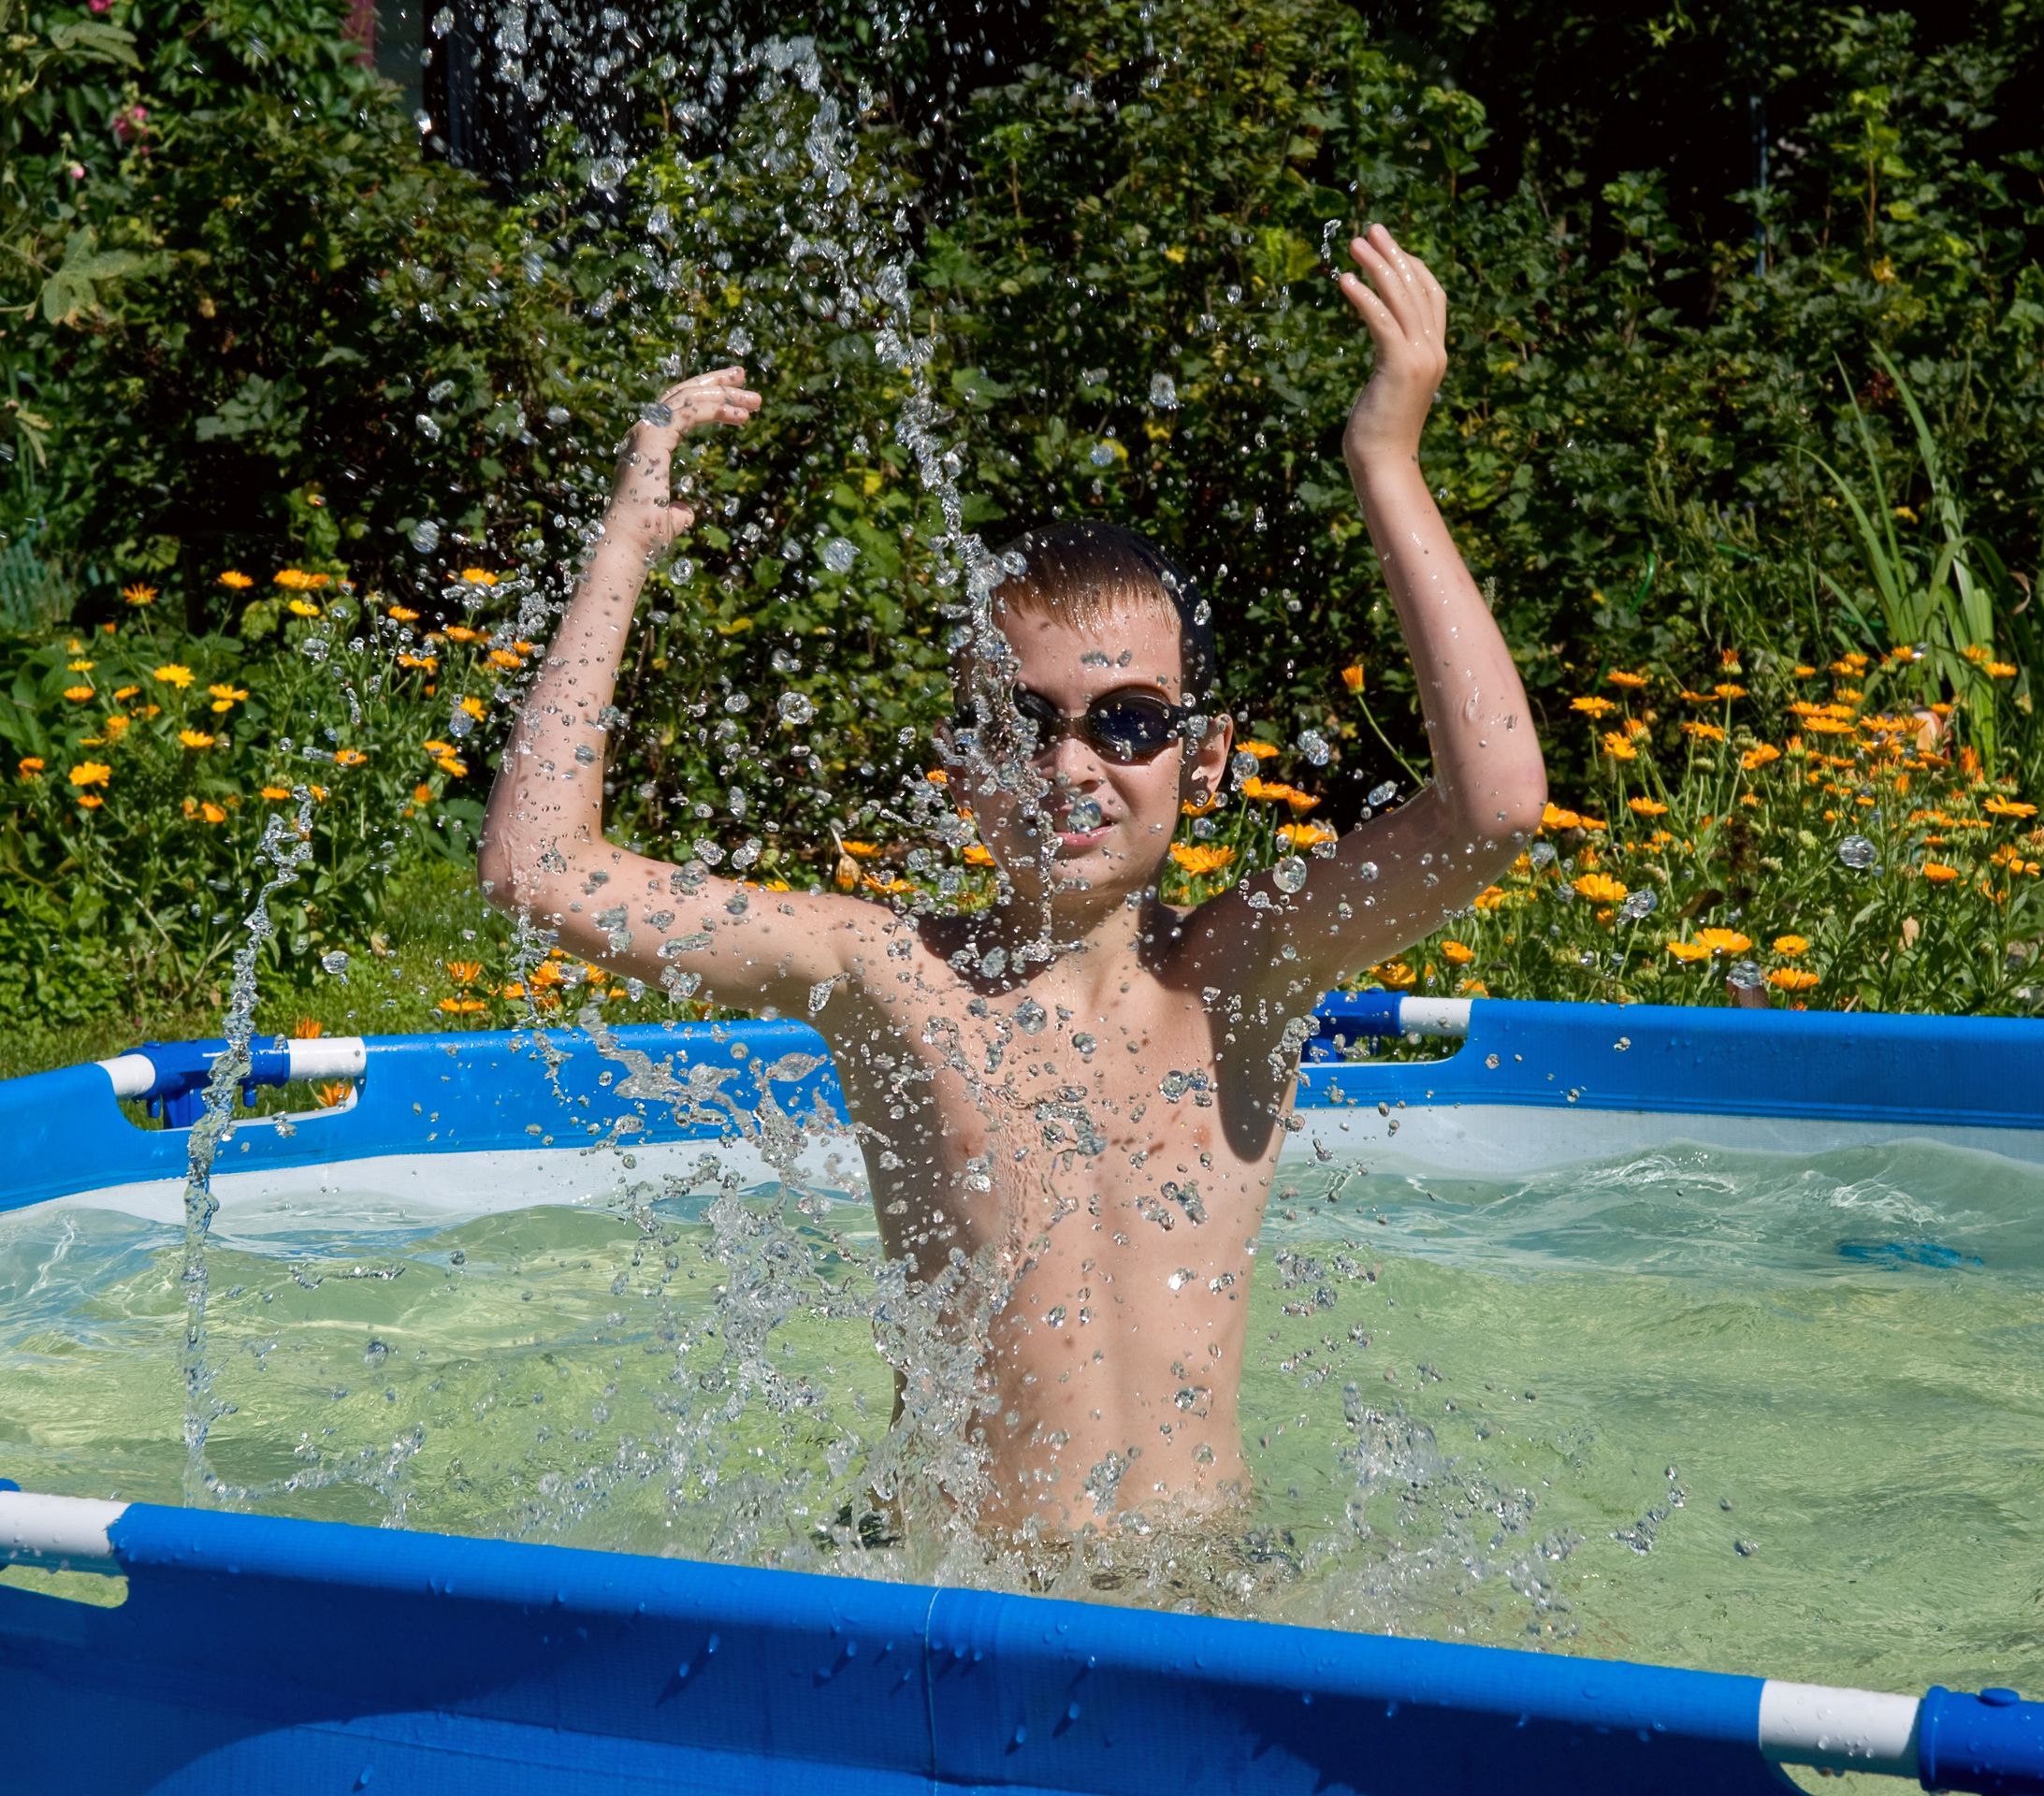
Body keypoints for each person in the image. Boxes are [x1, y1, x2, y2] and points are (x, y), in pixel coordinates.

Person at [478, 224, 1547, 1538]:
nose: (1068, 766)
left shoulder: (1241, 975)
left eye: (1129, 721)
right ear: (957, 763)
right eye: (1015, 721)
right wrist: (624, 549)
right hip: (951, 1595)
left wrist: (1385, 461)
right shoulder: (889, 976)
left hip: (1196, 1587)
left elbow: (1493, 811)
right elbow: (540, 872)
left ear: (1204, 760)